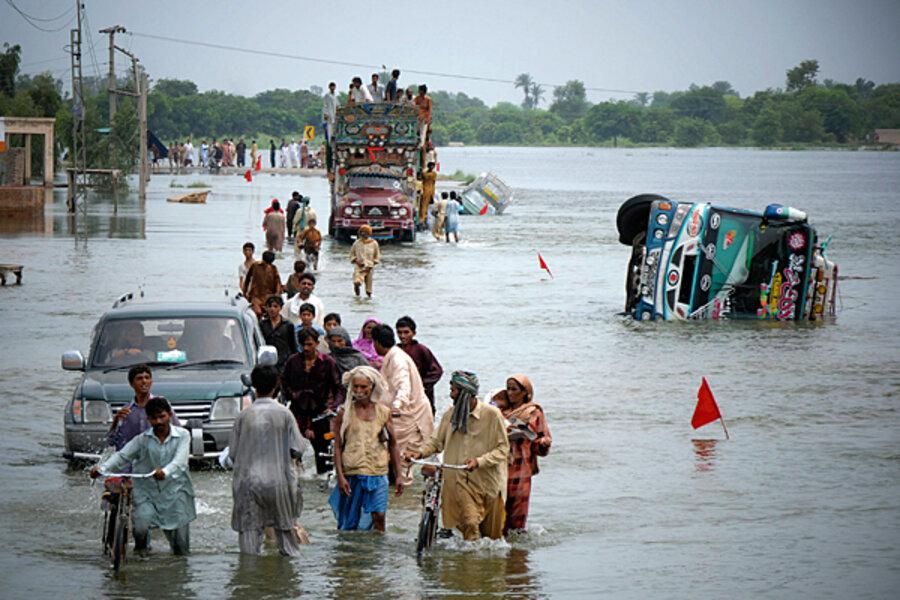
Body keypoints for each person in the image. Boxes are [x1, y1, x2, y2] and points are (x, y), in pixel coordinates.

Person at [405, 371, 509, 541]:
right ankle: (468, 565)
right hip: (459, 481)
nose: (450, 395)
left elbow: (503, 449)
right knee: (469, 523)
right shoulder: (450, 415)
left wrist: (479, 461)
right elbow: (436, 442)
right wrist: (419, 452)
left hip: (486, 481)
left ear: (465, 394)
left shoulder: (492, 415)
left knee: (492, 537)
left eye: (453, 391)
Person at [91, 397, 196, 556]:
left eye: (162, 416)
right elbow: (122, 457)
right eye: (154, 418)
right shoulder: (142, 440)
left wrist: (165, 472)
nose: (159, 421)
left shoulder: (183, 435)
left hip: (176, 492)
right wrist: (102, 468)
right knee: (140, 528)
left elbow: (180, 462)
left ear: (169, 415)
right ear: (149, 420)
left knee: (181, 547)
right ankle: (142, 556)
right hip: (147, 492)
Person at [230, 365, 305, 556]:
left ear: (253, 385)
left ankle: (250, 585)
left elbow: (232, 454)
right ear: (277, 385)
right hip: (278, 483)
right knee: (287, 544)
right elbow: (297, 449)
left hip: (248, 483)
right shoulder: (285, 414)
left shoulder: (243, 416)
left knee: (249, 548)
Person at [330, 366, 403, 531]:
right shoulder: (344, 413)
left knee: (379, 515)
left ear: (372, 387)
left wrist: (399, 475)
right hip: (352, 472)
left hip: (378, 471)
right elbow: (338, 447)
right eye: (355, 386)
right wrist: (340, 477)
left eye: (363, 387)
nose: (359, 390)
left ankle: (378, 550)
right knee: (350, 521)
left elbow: (393, 444)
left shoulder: (384, 412)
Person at [372, 324, 434, 486]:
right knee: (392, 456)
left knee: (403, 459)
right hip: (399, 416)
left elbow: (403, 386)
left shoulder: (397, 359)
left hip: (408, 416)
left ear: (377, 342)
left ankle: (403, 500)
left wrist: (397, 406)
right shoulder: (392, 356)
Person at [496, 374, 552, 535]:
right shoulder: (500, 410)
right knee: (497, 511)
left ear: (525, 392)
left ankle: (517, 556)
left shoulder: (533, 412)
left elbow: (539, 439)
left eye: (514, 389)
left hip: (521, 469)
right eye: (508, 388)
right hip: (499, 464)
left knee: (517, 516)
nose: (510, 392)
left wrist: (543, 443)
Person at [282, 329, 343, 474]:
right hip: (297, 413)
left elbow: (339, 388)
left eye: (309, 344)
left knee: (323, 454)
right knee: (292, 453)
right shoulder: (293, 361)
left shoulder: (328, 363)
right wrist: (293, 395)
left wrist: (333, 407)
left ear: (317, 343)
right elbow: (284, 383)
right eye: (302, 345)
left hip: (320, 413)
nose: (306, 348)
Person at [108, 364, 182, 451]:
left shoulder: (162, 405)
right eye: (139, 378)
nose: (144, 381)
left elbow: (178, 433)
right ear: (131, 383)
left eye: (147, 378)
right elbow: (111, 442)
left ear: (151, 382)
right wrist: (116, 420)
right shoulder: (126, 411)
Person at [396, 316, 443, 415]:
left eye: (406, 332)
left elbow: (437, 371)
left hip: (422, 396)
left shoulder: (421, 350)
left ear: (414, 333)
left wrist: (421, 384)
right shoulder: (395, 350)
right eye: (399, 332)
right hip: (401, 396)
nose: (402, 336)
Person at [259, 295, 297, 371]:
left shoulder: (288, 324)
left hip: (284, 362)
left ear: (280, 308)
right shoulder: (262, 324)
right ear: (266, 308)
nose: (272, 309)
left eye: (275, 306)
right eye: (269, 306)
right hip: (267, 361)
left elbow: (293, 346)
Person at [243, 250, 282, 317]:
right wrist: (245, 292)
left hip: (268, 297)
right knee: (258, 313)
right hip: (256, 297)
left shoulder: (273, 268)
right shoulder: (255, 266)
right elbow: (247, 279)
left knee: (265, 314)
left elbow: (278, 284)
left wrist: (276, 296)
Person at [350, 225, 381, 298]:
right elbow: (351, 255)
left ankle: (368, 302)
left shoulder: (374, 243)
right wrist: (356, 261)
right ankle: (357, 297)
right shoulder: (357, 243)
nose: (363, 234)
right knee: (357, 282)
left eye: (365, 233)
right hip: (359, 267)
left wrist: (373, 263)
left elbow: (377, 256)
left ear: (369, 233)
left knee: (368, 290)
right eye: (362, 232)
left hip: (369, 268)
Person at [420, 162, 437, 229]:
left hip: (430, 190)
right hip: (424, 190)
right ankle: (423, 219)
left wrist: (432, 194)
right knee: (423, 206)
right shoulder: (426, 174)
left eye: (433, 166)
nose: (432, 167)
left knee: (426, 206)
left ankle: (424, 219)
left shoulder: (433, 174)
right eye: (431, 166)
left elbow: (433, 183)